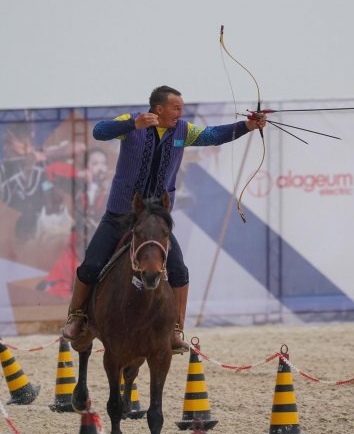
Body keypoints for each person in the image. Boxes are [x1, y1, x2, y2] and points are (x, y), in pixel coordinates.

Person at [61, 85, 266, 353]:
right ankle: (78, 317)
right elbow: (99, 131)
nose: (181, 112)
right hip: (121, 214)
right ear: (159, 109)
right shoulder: (131, 122)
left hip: (156, 221)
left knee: (179, 271)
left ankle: (175, 330)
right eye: (176, 108)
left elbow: (214, 135)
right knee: (91, 264)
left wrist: (247, 126)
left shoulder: (183, 131)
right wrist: (133, 125)